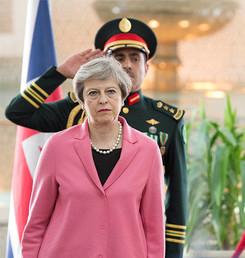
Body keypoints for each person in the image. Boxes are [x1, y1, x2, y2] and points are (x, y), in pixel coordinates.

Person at [5, 17, 187, 257]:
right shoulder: (73, 111)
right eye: (118, 58)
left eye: (135, 58)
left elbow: (173, 201)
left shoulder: (166, 121)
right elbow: (18, 111)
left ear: (147, 66)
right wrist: (59, 74)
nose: (127, 65)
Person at [21, 57, 165, 257]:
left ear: (123, 97)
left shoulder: (148, 151)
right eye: (93, 93)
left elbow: (154, 230)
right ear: (82, 101)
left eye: (111, 91)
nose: (103, 99)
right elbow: (36, 223)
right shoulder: (56, 147)